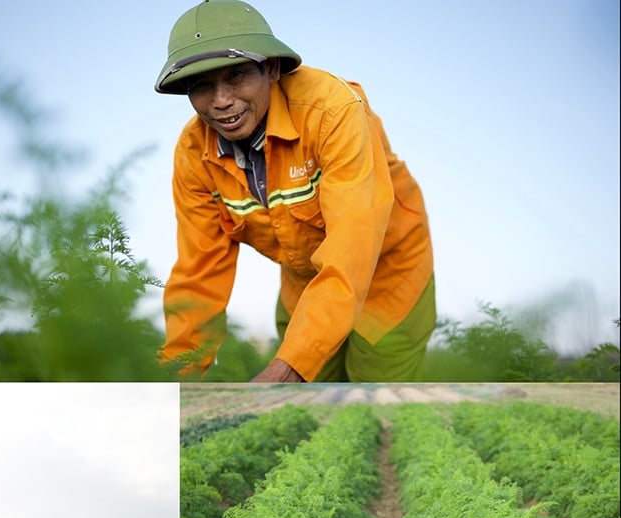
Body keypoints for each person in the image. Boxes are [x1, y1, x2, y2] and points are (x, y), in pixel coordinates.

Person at [155, 0, 436, 382]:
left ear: (270, 68)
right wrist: (177, 381)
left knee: (375, 405)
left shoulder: (332, 112)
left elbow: (351, 248)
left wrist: (287, 367)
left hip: (388, 277)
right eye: (202, 85)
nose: (221, 101)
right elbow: (198, 274)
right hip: (305, 285)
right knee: (305, 414)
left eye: (236, 77)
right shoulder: (193, 152)